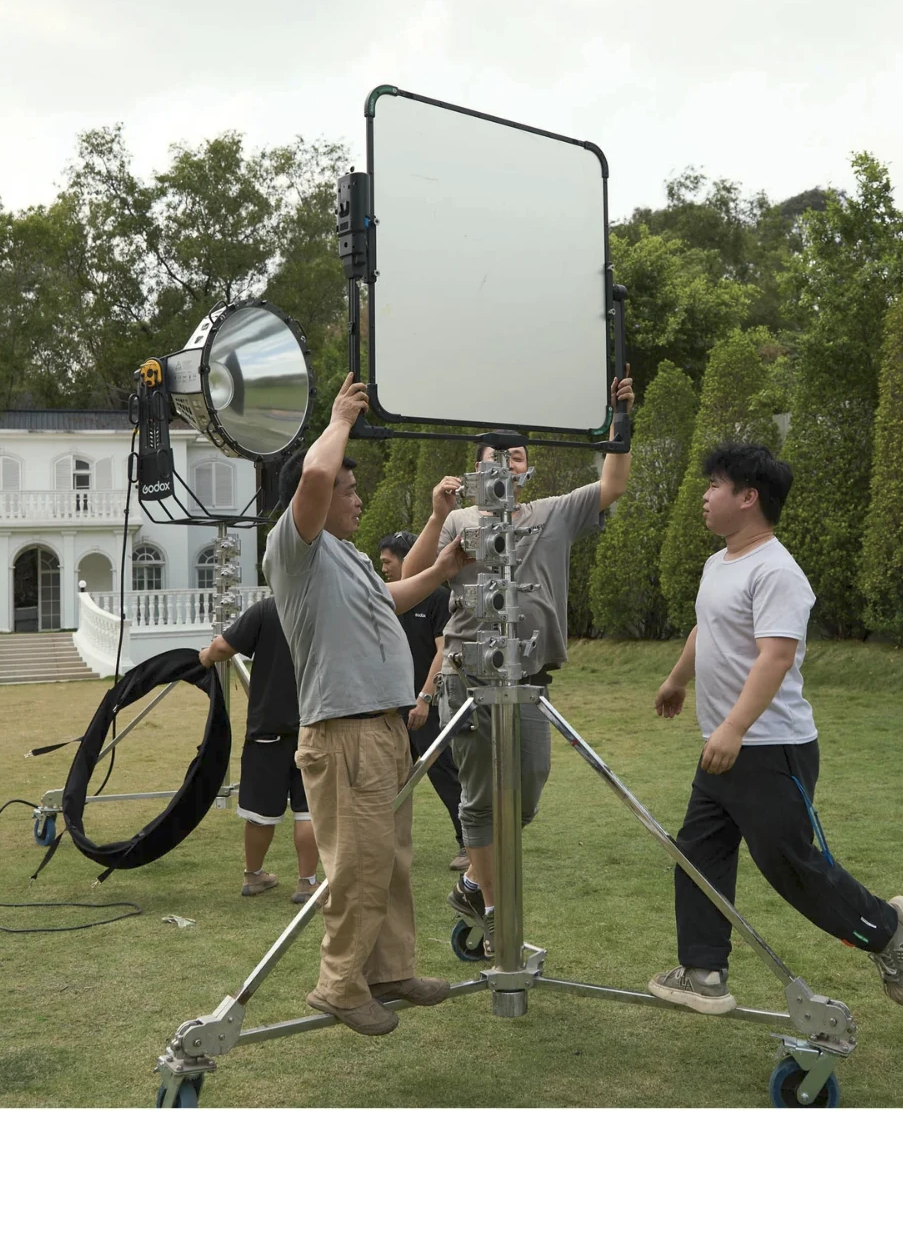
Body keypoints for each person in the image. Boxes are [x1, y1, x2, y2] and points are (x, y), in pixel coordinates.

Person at [648, 440, 903, 1013]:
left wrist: (733, 728)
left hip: (771, 748)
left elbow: (775, 656)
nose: (705, 496)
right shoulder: (719, 564)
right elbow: (706, 629)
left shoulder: (777, 571)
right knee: (698, 853)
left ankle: (886, 928)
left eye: (715, 486)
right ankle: (703, 971)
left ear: (748, 497)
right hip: (723, 745)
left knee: (790, 866)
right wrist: (677, 680)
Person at [402, 369, 636, 958]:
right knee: (482, 798)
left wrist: (620, 420)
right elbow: (407, 578)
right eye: (497, 458)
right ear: (476, 471)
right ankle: (498, 919)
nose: (508, 465)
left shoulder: (553, 513)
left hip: (530, 679)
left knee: (526, 792)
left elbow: (613, 483)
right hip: (468, 675)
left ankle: (473, 885)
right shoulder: (460, 523)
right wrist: (435, 515)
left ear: (527, 470)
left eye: (517, 458)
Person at [263, 373, 471, 1037]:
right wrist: (339, 420)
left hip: (383, 729)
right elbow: (314, 476)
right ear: (316, 500)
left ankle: (388, 971)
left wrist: (441, 569)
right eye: (348, 490)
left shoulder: (347, 558)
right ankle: (339, 985)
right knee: (358, 865)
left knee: (391, 860)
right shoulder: (294, 551)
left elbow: (392, 598)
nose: (358, 499)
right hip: (344, 735)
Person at [197, 596, 319, 905]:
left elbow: (222, 647)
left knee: (259, 812)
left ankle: (253, 876)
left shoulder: (268, 608)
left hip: (267, 728)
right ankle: (307, 883)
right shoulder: (323, 605)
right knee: (309, 809)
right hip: (314, 725)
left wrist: (205, 656)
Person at [378, 529, 468, 872]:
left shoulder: (437, 598)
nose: (383, 568)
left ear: (406, 559)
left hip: (427, 705)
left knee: (444, 772)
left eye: (388, 562)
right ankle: (384, 844)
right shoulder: (388, 599)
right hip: (393, 705)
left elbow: (444, 650)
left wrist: (425, 698)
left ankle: (468, 843)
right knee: (389, 777)